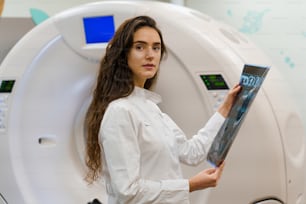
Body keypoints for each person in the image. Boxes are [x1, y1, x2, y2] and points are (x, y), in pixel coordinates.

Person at [85, 15, 241, 204]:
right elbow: (127, 191)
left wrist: (225, 108)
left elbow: (192, 152)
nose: (150, 55)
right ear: (124, 55)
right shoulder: (120, 112)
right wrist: (190, 185)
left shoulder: (151, 108)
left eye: (156, 48)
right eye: (140, 47)